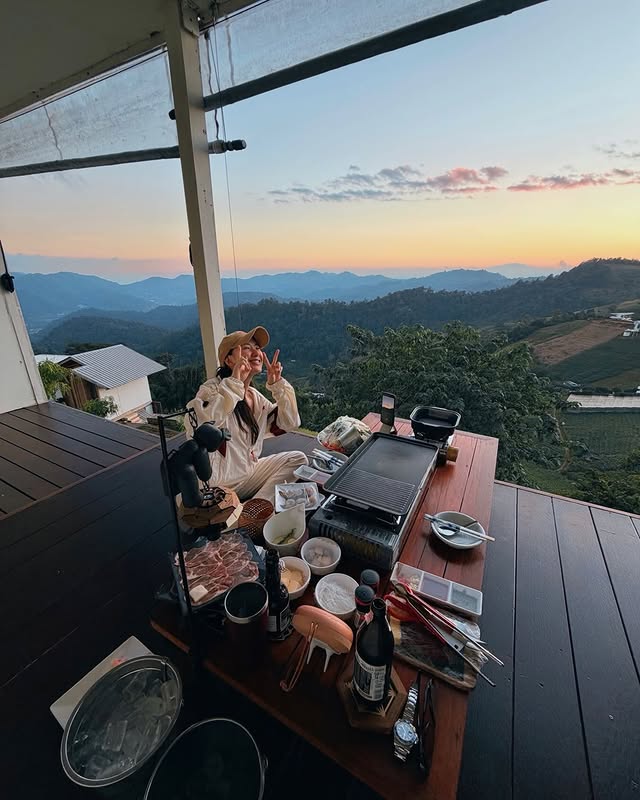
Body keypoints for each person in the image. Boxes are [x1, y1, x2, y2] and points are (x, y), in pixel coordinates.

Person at [185, 326, 308, 503]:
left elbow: (288, 423)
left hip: (247, 475)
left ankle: (252, 508)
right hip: (219, 486)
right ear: (229, 360)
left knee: (298, 459)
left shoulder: (254, 396)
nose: (256, 353)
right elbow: (198, 425)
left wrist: (278, 386)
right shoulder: (212, 390)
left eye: (257, 348)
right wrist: (235, 383)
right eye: (247, 348)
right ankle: (254, 510)